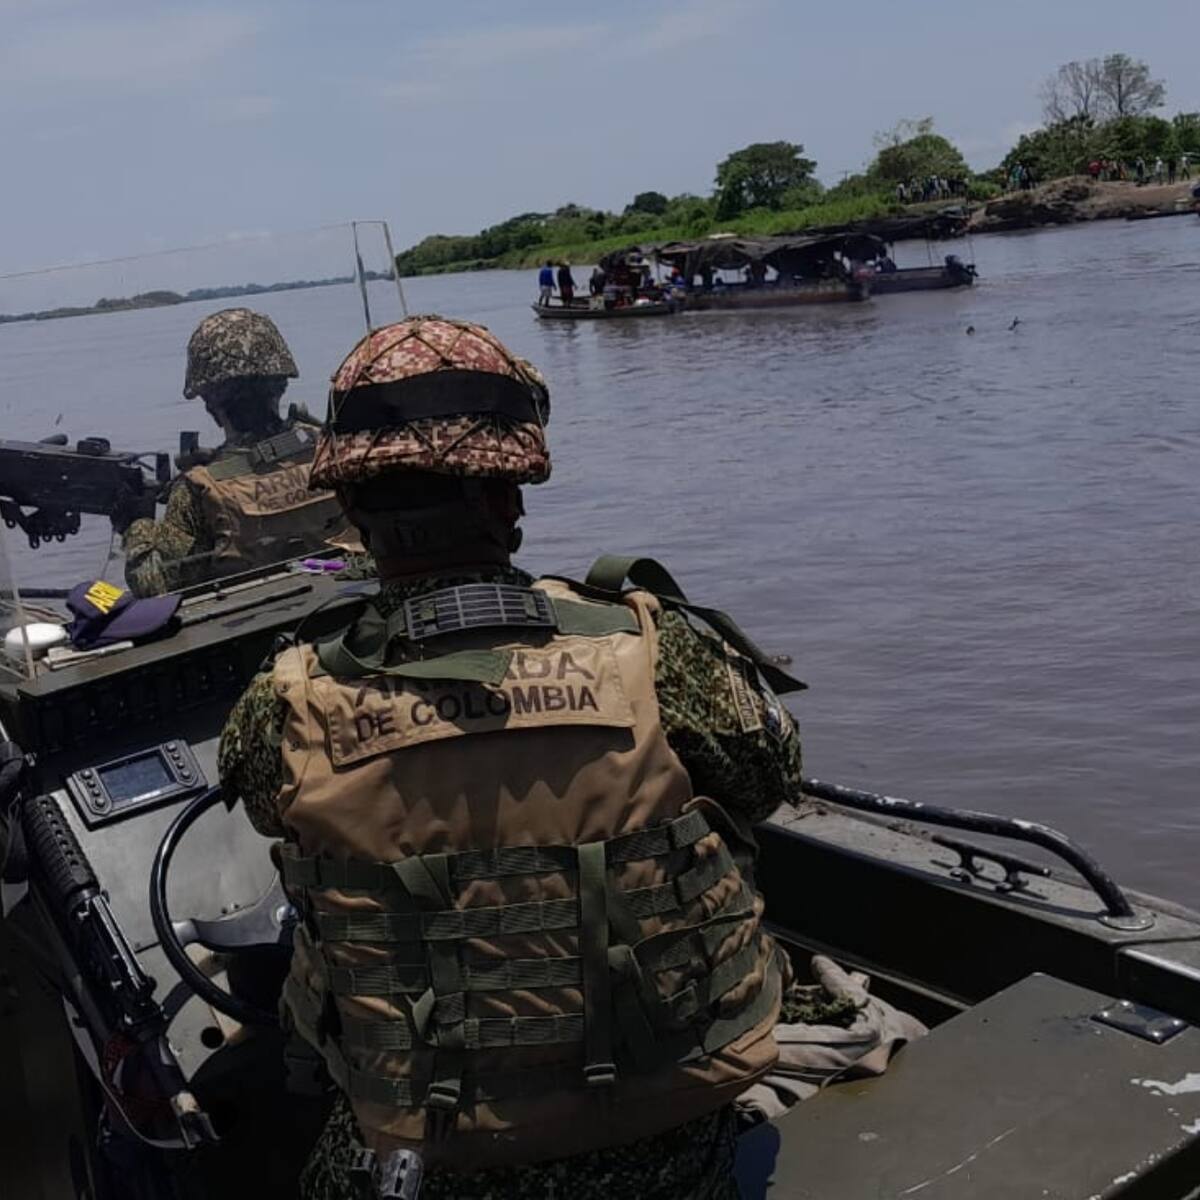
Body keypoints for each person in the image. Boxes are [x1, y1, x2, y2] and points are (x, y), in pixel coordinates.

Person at [218, 314, 807, 1200]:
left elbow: (275, 815)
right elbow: (768, 777)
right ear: (508, 499)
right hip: (668, 1142)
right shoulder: (655, 647)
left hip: (435, 1161)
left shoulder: (285, 699)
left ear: (353, 512)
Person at [121, 308, 353, 597]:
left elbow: (155, 589)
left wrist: (137, 523)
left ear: (209, 403)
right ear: (281, 385)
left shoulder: (197, 491)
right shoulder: (337, 450)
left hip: (251, 631)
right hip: (341, 603)